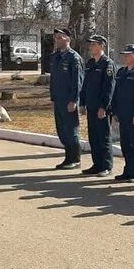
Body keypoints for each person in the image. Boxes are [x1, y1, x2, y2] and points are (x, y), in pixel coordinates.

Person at [79, 34, 116, 176]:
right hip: (91, 105)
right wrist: (82, 103)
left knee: (103, 137)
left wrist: (104, 107)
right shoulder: (90, 63)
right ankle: (97, 164)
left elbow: (109, 87)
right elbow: (85, 85)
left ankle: (106, 166)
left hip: (101, 108)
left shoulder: (107, 64)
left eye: (94, 44)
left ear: (101, 46)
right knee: (93, 136)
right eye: (90, 44)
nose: (91, 47)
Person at [49, 28, 85, 170]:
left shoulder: (74, 58)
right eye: (56, 37)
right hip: (58, 99)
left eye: (60, 37)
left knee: (71, 130)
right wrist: (52, 98)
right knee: (62, 130)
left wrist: (74, 100)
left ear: (68, 39)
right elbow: (53, 79)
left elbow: (77, 81)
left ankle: (75, 159)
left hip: (69, 100)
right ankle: (67, 157)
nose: (57, 40)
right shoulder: (55, 56)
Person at [112, 44, 134, 182]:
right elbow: (117, 94)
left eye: (129, 54)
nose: (126, 57)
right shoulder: (121, 72)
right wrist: (115, 112)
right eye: (124, 55)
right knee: (125, 144)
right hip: (123, 113)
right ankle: (128, 170)